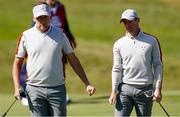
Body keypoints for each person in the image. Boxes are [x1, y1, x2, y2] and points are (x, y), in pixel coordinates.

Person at [12, 2, 96, 116]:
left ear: (50, 16)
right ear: (34, 18)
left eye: (45, 17)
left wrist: (87, 83)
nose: (42, 20)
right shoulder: (26, 36)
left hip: (57, 89)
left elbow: (73, 60)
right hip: (34, 90)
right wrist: (17, 88)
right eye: (39, 18)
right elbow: (17, 64)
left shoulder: (61, 34)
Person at [108, 9, 163, 116]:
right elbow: (116, 68)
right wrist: (114, 90)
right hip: (124, 90)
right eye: (124, 22)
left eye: (130, 21)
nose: (127, 25)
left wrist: (158, 89)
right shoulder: (119, 44)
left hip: (145, 90)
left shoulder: (151, 41)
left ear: (138, 20)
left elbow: (158, 65)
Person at [21, 0, 76, 104]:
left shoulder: (61, 7)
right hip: (42, 42)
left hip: (58, 39)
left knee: (59, 65)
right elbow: (35, 27)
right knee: (32, 68)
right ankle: (26, 93)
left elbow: (65, 25)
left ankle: (61, 92)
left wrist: (71, 39)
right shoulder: (41, 8)